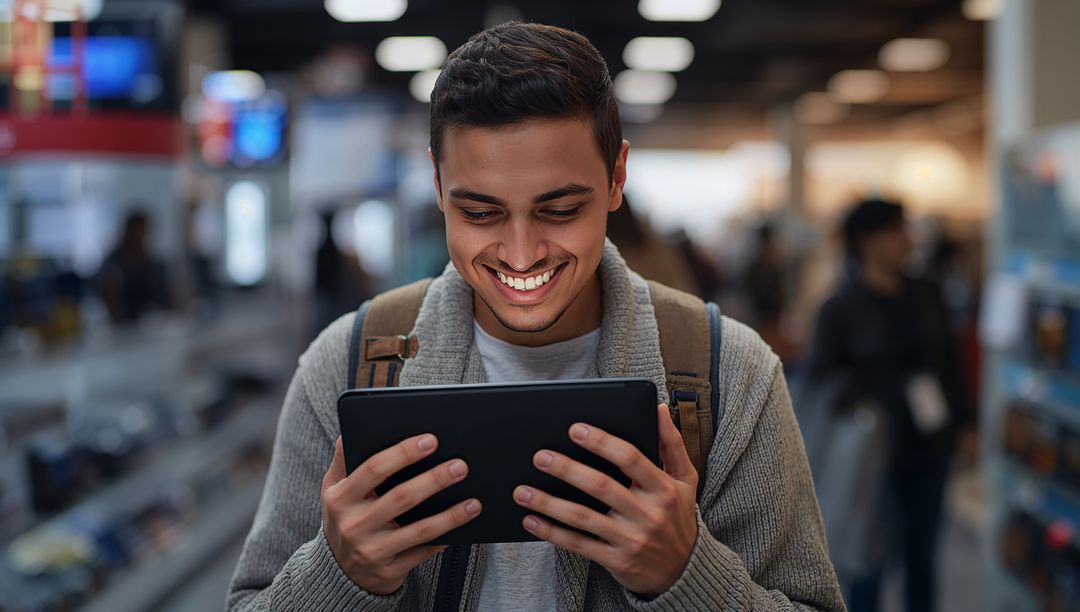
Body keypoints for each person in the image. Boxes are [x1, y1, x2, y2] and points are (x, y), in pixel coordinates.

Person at [228, 22, 844, 612]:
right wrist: (341, 576)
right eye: (480, 213)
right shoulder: (348, 363)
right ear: (439, 186)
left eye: (560, 210)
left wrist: (684, 574)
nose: (521, 254)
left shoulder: (728, 373)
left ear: (616, 179)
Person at [805, 199, 971, 612]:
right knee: (868, 563)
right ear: (866, 241)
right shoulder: (841, 308)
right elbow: (821, 384)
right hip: (872, 455)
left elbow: (950, 362)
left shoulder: (927, 292)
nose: (906, 240)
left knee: (922, 560)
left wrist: (967, 424)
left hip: (931, 445)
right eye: (895, 231)